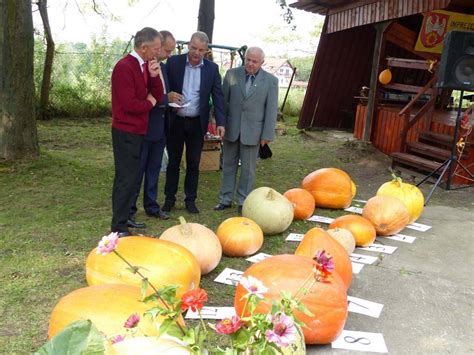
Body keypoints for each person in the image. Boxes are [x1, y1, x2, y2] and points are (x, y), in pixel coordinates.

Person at [162, 31, 225, 214]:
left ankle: (190, 200)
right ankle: (169, 199)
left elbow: (218, 97)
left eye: (201, 50)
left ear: (206, 51)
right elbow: (164, 88)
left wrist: (221, 122)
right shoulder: (173, 63)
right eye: (193, 48)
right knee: (173, 161)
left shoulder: (212, 69)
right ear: (189, 45)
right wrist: (169, 101)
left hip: (197, 122)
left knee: (193, 162)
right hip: (176, 121)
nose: (196, 53)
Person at [110, 27, 164, 237]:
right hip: (125, 132)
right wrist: (149, 102)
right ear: (144, 47)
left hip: (139, 131)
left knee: (133, 178)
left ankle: (125, 219)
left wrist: (153, 77)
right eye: (156, 49)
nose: (158, 53)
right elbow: (129, 104)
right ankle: (118, 226)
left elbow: (158, 94)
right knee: (126, 178)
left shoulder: (145, 66)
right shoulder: (125, 67)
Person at [214, 47, 278, 214]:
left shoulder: (271, 81)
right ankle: (225, 199)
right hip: (231, 129)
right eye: (248, 59)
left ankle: (244, 200)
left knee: (248, 170)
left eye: (254, 61)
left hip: (254, 132)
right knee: (228, 165)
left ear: (261, 63)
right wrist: (220, 124)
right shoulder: (231, 75)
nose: (250, 63)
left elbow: (271, 110)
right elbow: (222, 103)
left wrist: (267, 135)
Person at [129, 30, 181, 222]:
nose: (168, 55)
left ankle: (151, 205)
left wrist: (171, 100)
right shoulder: (141, 68)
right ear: (155, 47)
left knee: (154, 168)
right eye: (165, 50)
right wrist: (167, 99)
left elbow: (161, 92)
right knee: (138, 170)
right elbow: (147, 96)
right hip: (144, 127)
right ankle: (130, 210)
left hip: (161, 126)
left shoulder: (164, 68)